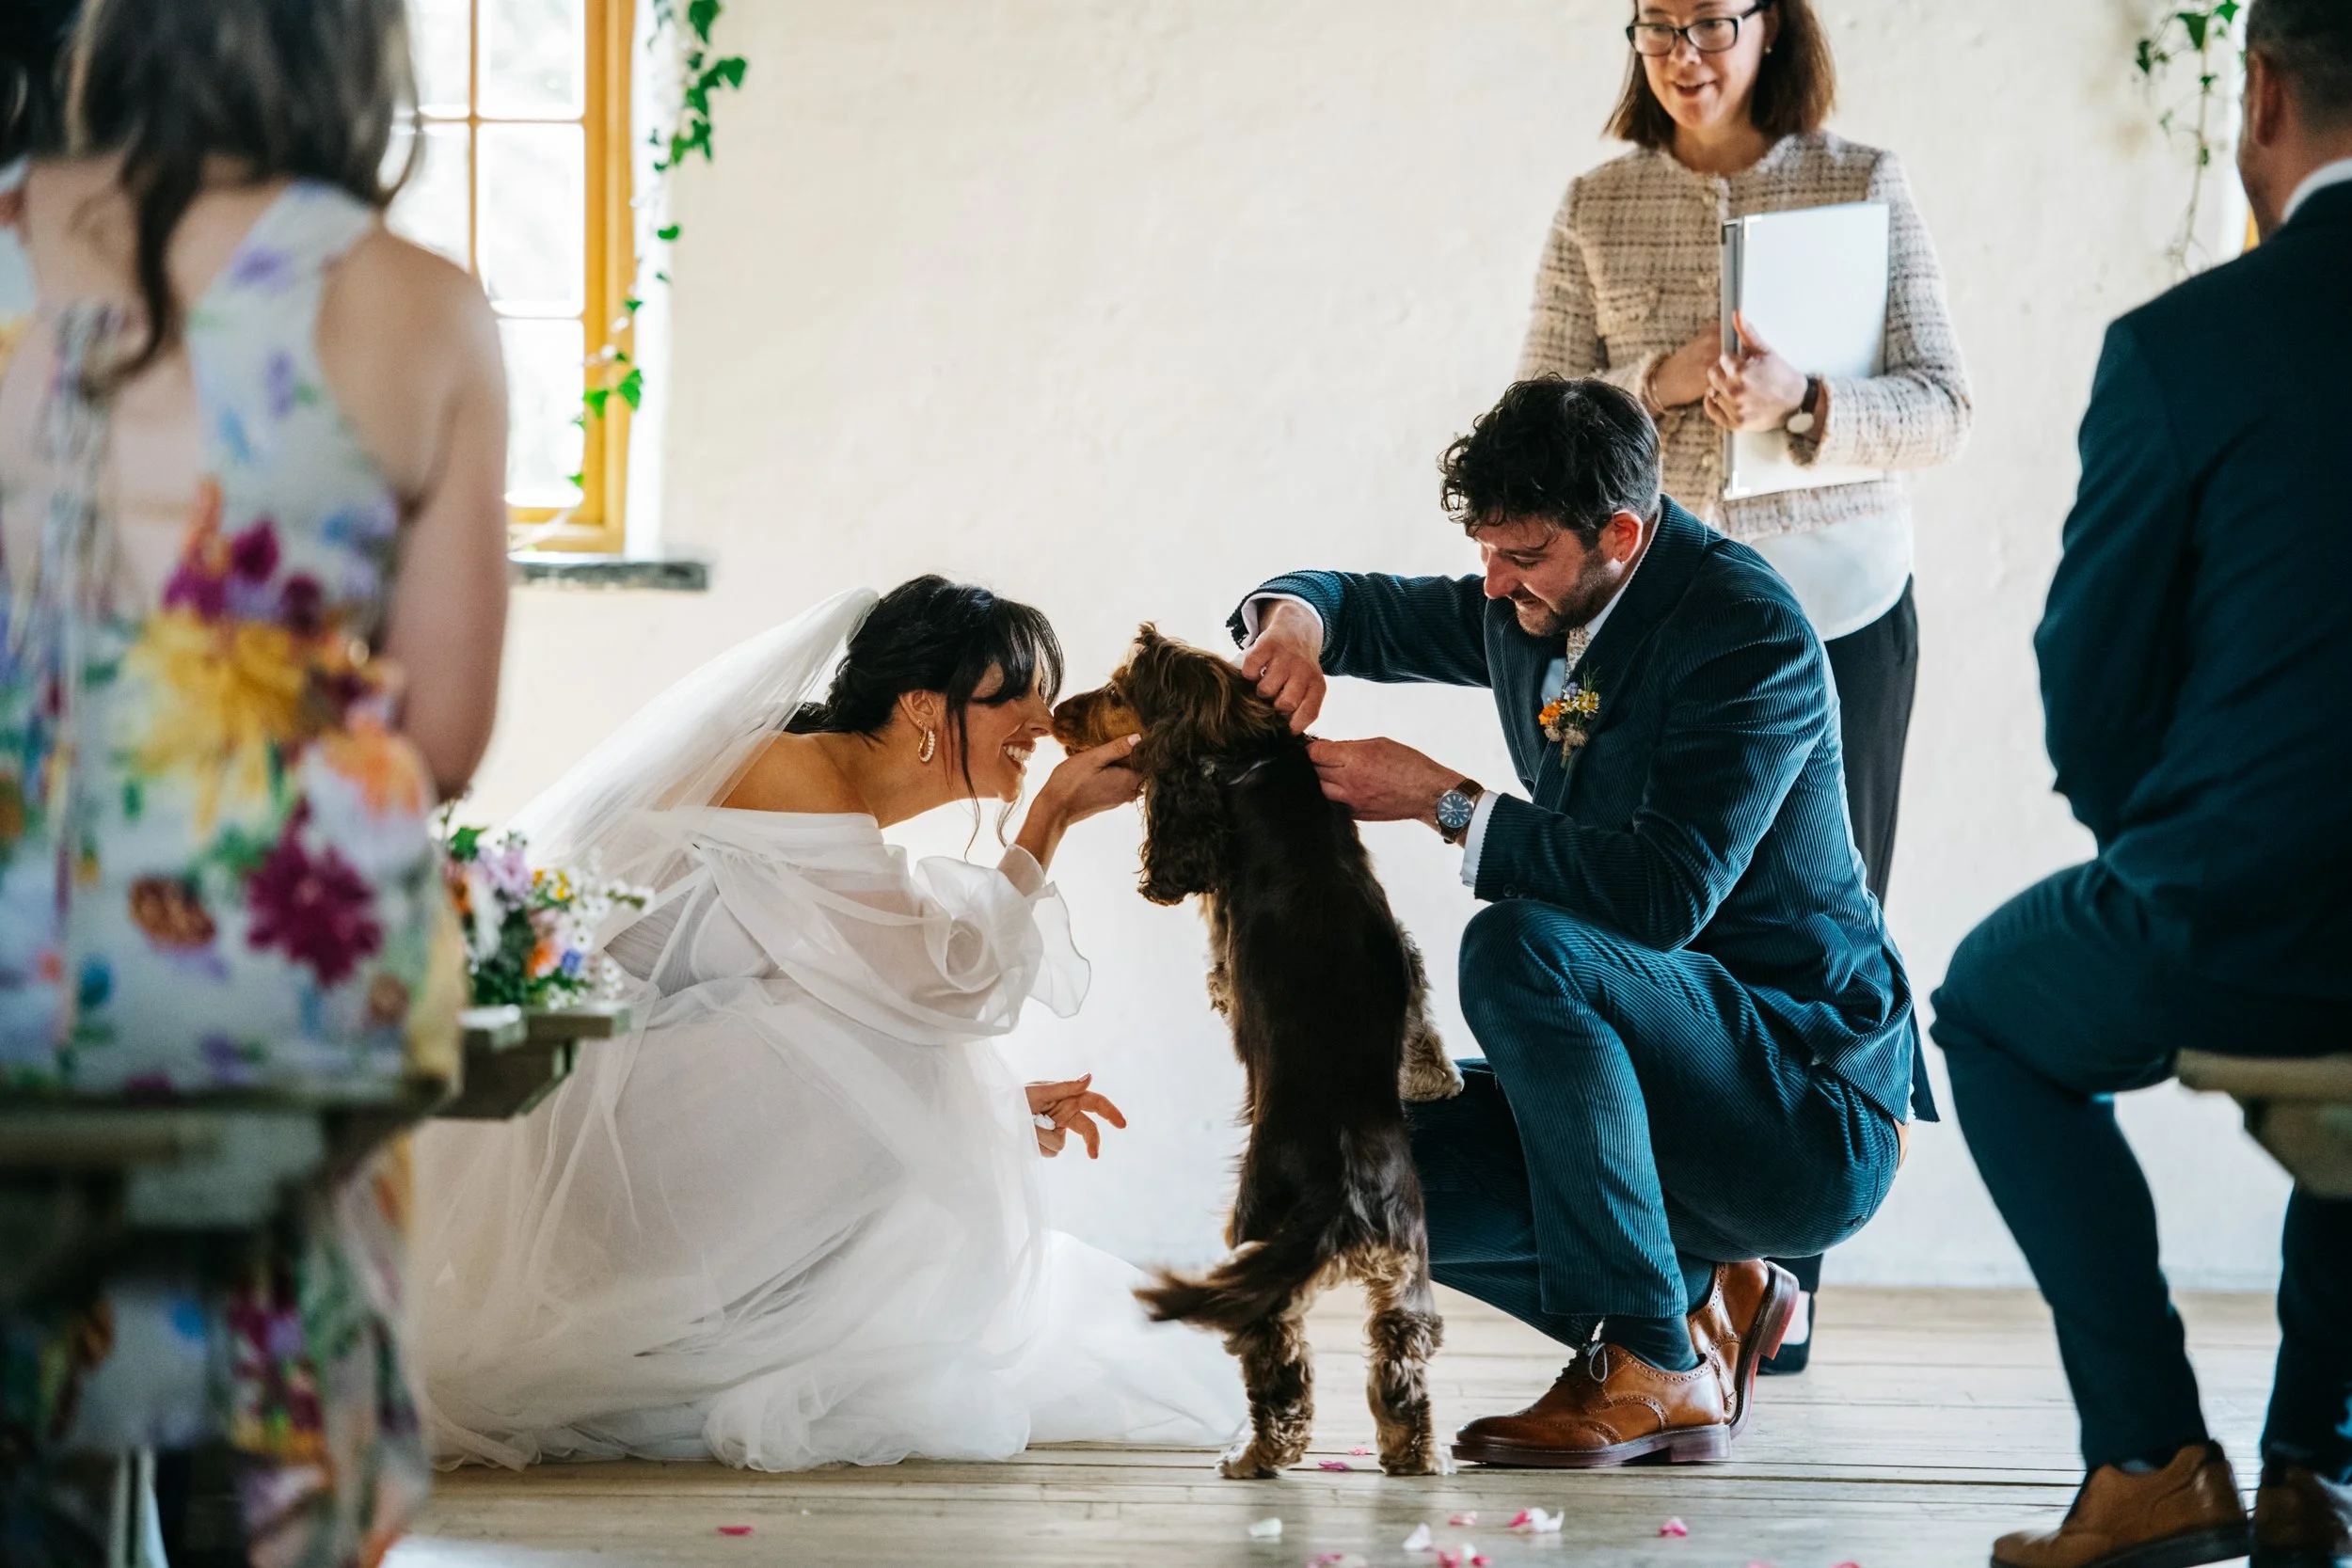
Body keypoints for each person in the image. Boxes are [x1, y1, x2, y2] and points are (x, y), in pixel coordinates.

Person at [0, 0, 510, 1560]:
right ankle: (274, 1466)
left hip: (11, 990)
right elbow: (442, 730)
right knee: (277, 1303)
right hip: (258, 1007)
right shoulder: (412, 306)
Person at [1233, 376, 1924, 1468]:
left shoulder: (1749, 637)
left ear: (1621, 531)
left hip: (1799, 1102)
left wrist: (1440, 798)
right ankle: (1700, 1293)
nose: (1492, 583)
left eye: (1522, 557)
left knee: (1517, 945)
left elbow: (1662, 895)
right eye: (1485, 550)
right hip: (1650, 1088)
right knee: (1339, 1158)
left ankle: (1649, 1355)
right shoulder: (1530, 599)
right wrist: (1291, 624)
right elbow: (1347, 600)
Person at [414, 578, 1246, 1471]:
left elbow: (894, 990)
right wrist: (1048, 819)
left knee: (902, 1043)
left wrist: (995, 1102)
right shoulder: (793, 775)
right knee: (902, 1045)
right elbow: (932, 991)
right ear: (925, 706)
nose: (1042, 722)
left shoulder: (823, 799)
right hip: (575, 1146)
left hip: (629, 1133)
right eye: (1014, 695)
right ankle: (710, 1340)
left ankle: (734, 1337)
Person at [1930, 0, 2352, 1562]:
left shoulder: (2187, 345)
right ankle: (2321, 1467)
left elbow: (2090, 687)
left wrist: (2172, 855)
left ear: (2258, 98)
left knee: (1987, 1006)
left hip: (2229, 911)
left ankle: (2152, 1453)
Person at [1520, 0, 1968, 1372]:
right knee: (1654, 932)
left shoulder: (1861, 179)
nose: (1682, 52)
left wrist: (1808, 400)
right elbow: (1535, 413)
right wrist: (1650, 379)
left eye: (1710, 20)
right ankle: (1683, 1270)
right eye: (1654, 24)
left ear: (1771, 27)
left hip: (1840, 611)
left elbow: (1944, 402)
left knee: (1821, 940)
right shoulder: (1600, 203)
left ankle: (1786, 1275)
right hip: (1653, 624)